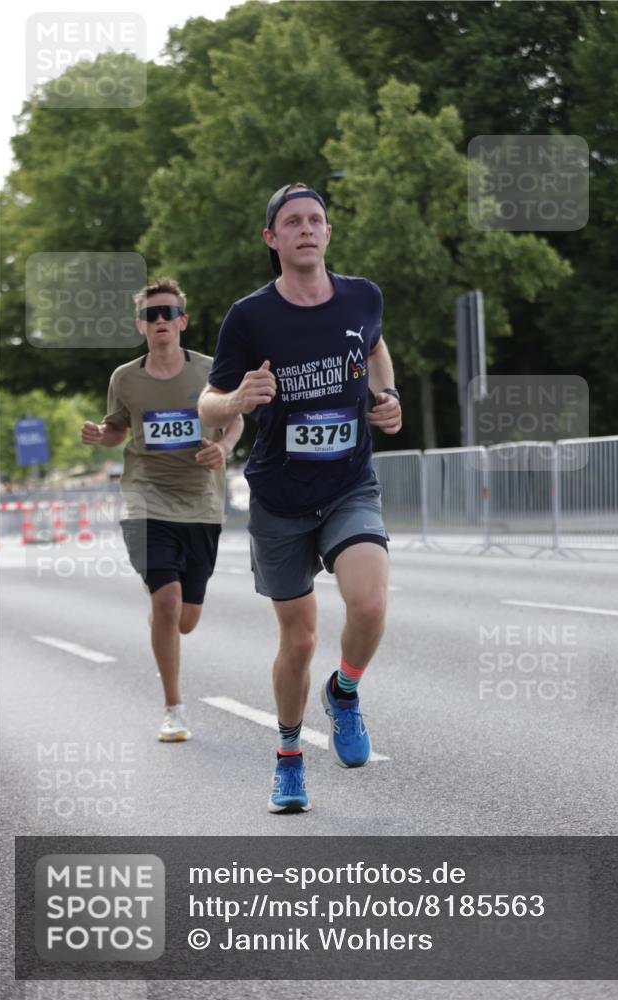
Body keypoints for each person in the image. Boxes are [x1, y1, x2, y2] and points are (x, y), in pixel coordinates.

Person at [199, 183, 402, 813]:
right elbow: (207, 401)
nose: (306, 229)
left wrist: (384, 398)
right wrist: (236, 401)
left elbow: (373, 345)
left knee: (367, 604)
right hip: (280, 497)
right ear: (273, 238)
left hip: (348, 484)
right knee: (301, 640)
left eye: (316, 220)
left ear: (328, 233)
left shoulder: (363, 295)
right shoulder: (250, 317)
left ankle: (344, 692)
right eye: (292, 222)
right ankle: (289, 758)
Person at [81, 277, 244, 742]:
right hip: (144, 498)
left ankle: (163, 614)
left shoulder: (212, 372)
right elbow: (117, 430)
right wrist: (101, 434)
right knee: (167, 599)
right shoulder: (125, 378)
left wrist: (225, 449)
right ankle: (174, 708)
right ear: (141, 325)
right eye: (151, 315)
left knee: (184, 619)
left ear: (182, 321)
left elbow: (235, 419)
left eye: (168, 313)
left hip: (200, 503)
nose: (160, 322)